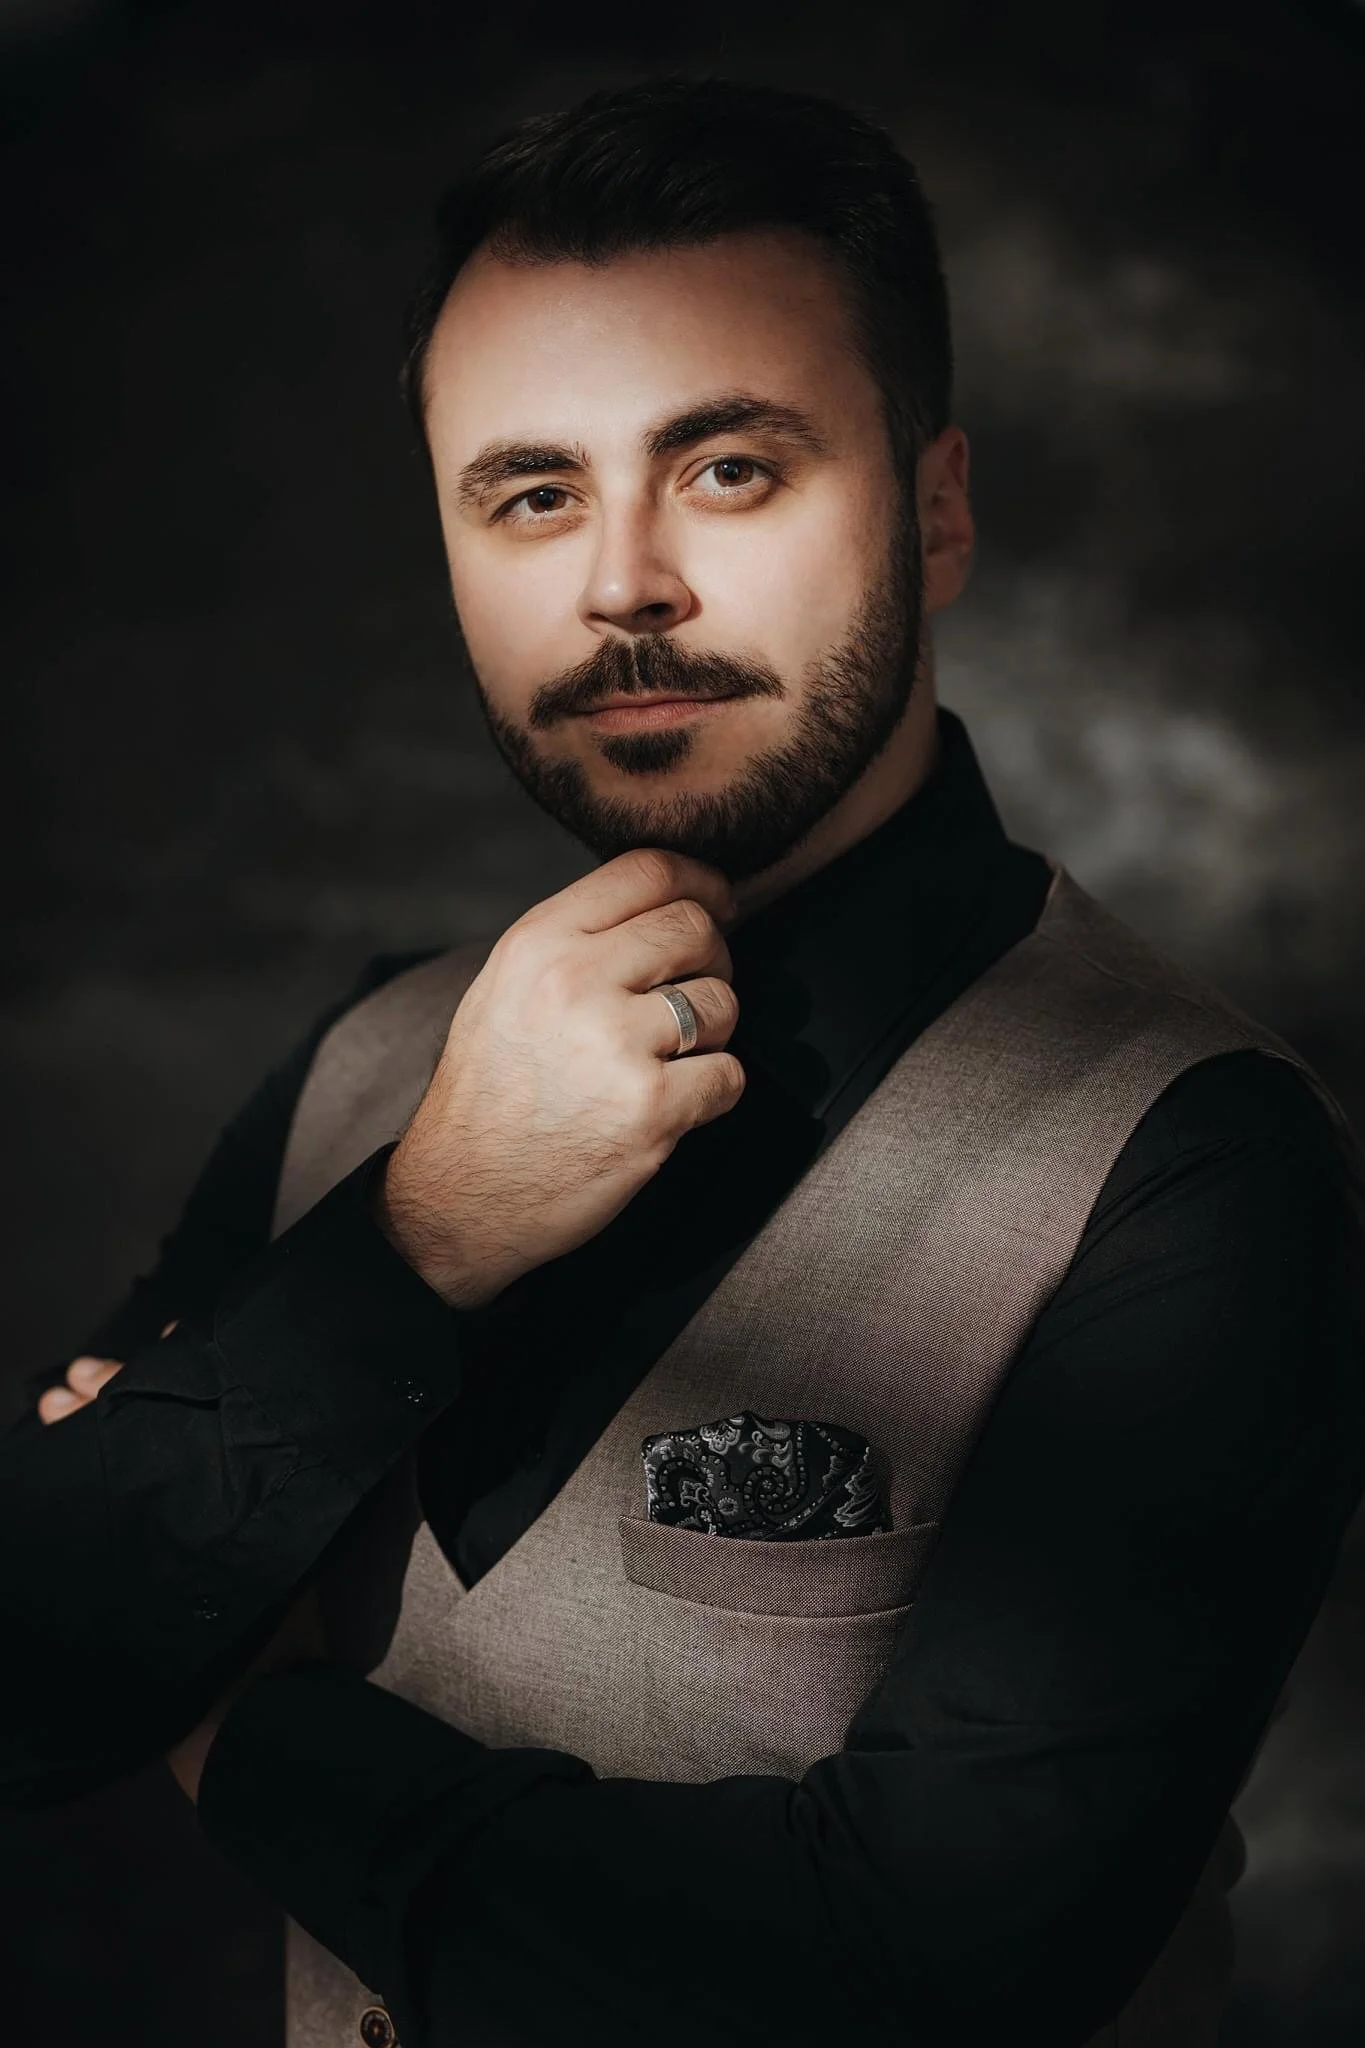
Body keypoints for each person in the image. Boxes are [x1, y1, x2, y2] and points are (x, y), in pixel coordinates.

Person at [4, 77, 1363, 2048]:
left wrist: (249, 1729)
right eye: (533, 491)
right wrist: (417, 1237)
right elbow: (32, 1671)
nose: (622, 580)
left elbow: (903, 1987)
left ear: (940, 505)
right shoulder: (368, 1067)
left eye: (727, 469)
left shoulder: (1195, 1166)